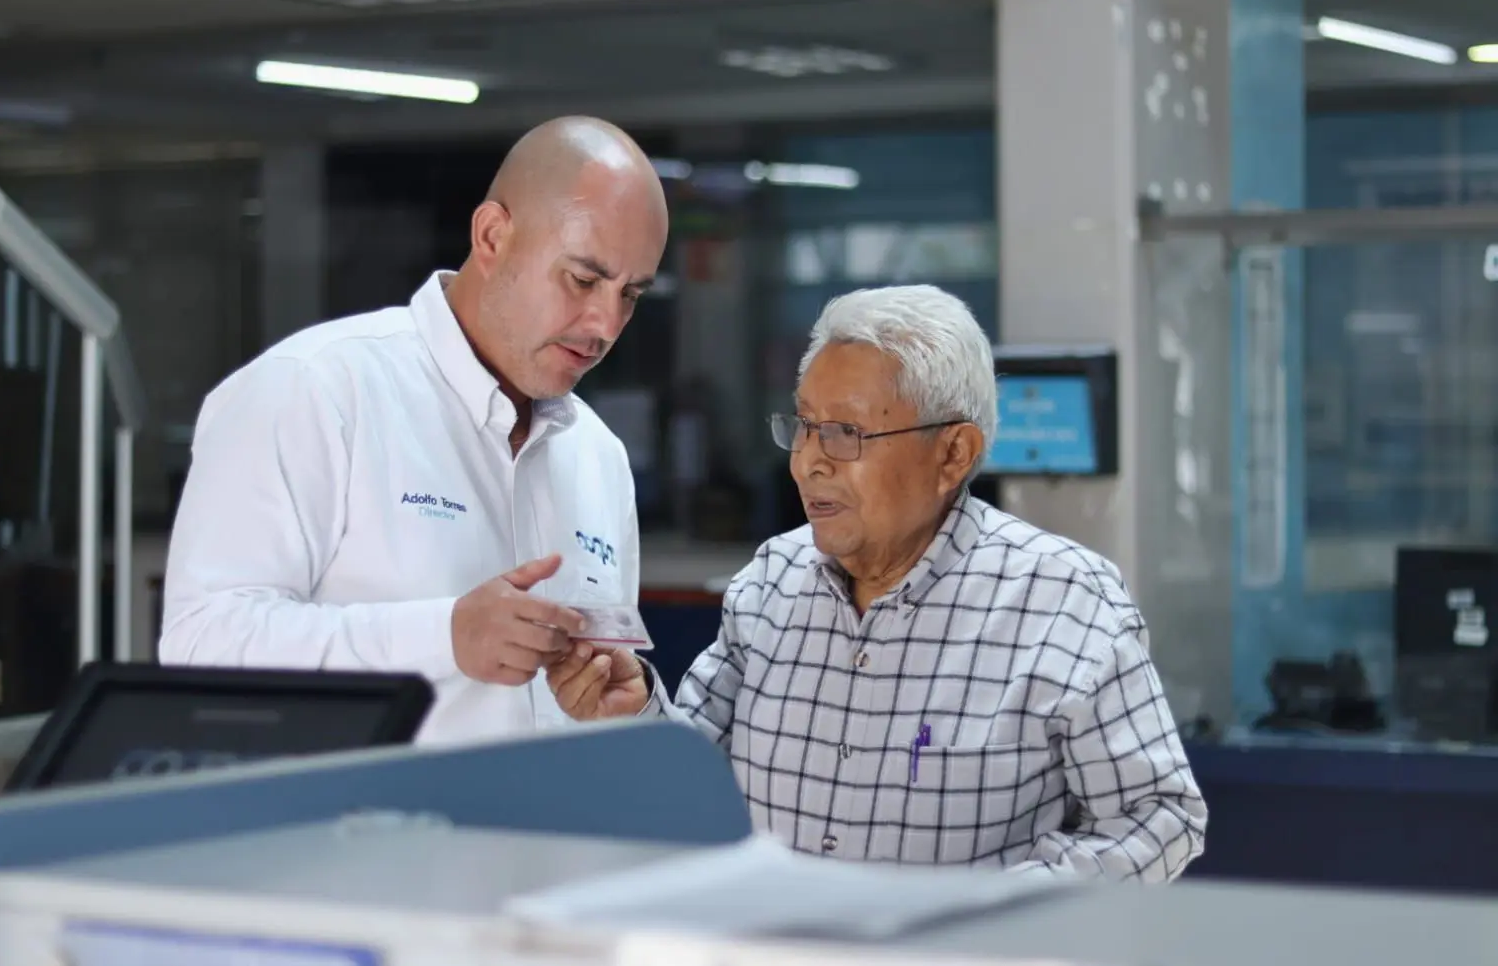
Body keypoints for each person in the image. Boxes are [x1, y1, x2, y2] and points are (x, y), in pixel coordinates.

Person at [546, 285, 1207, 880]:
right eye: (803, 426)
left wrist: (993, 918)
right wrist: (633, 711)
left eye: (844, 434)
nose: (807, 463)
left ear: (953, 453)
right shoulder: (771, 583)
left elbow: (1158, 818)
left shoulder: (1065, 602)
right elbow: (695, 778)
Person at [160, 116, 668, 746]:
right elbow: (200, 645)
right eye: (583, 279)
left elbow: (597, 711)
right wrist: (443, 636)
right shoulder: (314, 389)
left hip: (551, 836)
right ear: (492, 236)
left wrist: (629, 705)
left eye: (632, 295)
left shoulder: (598, 456)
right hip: (346, 839)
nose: (604, 323)